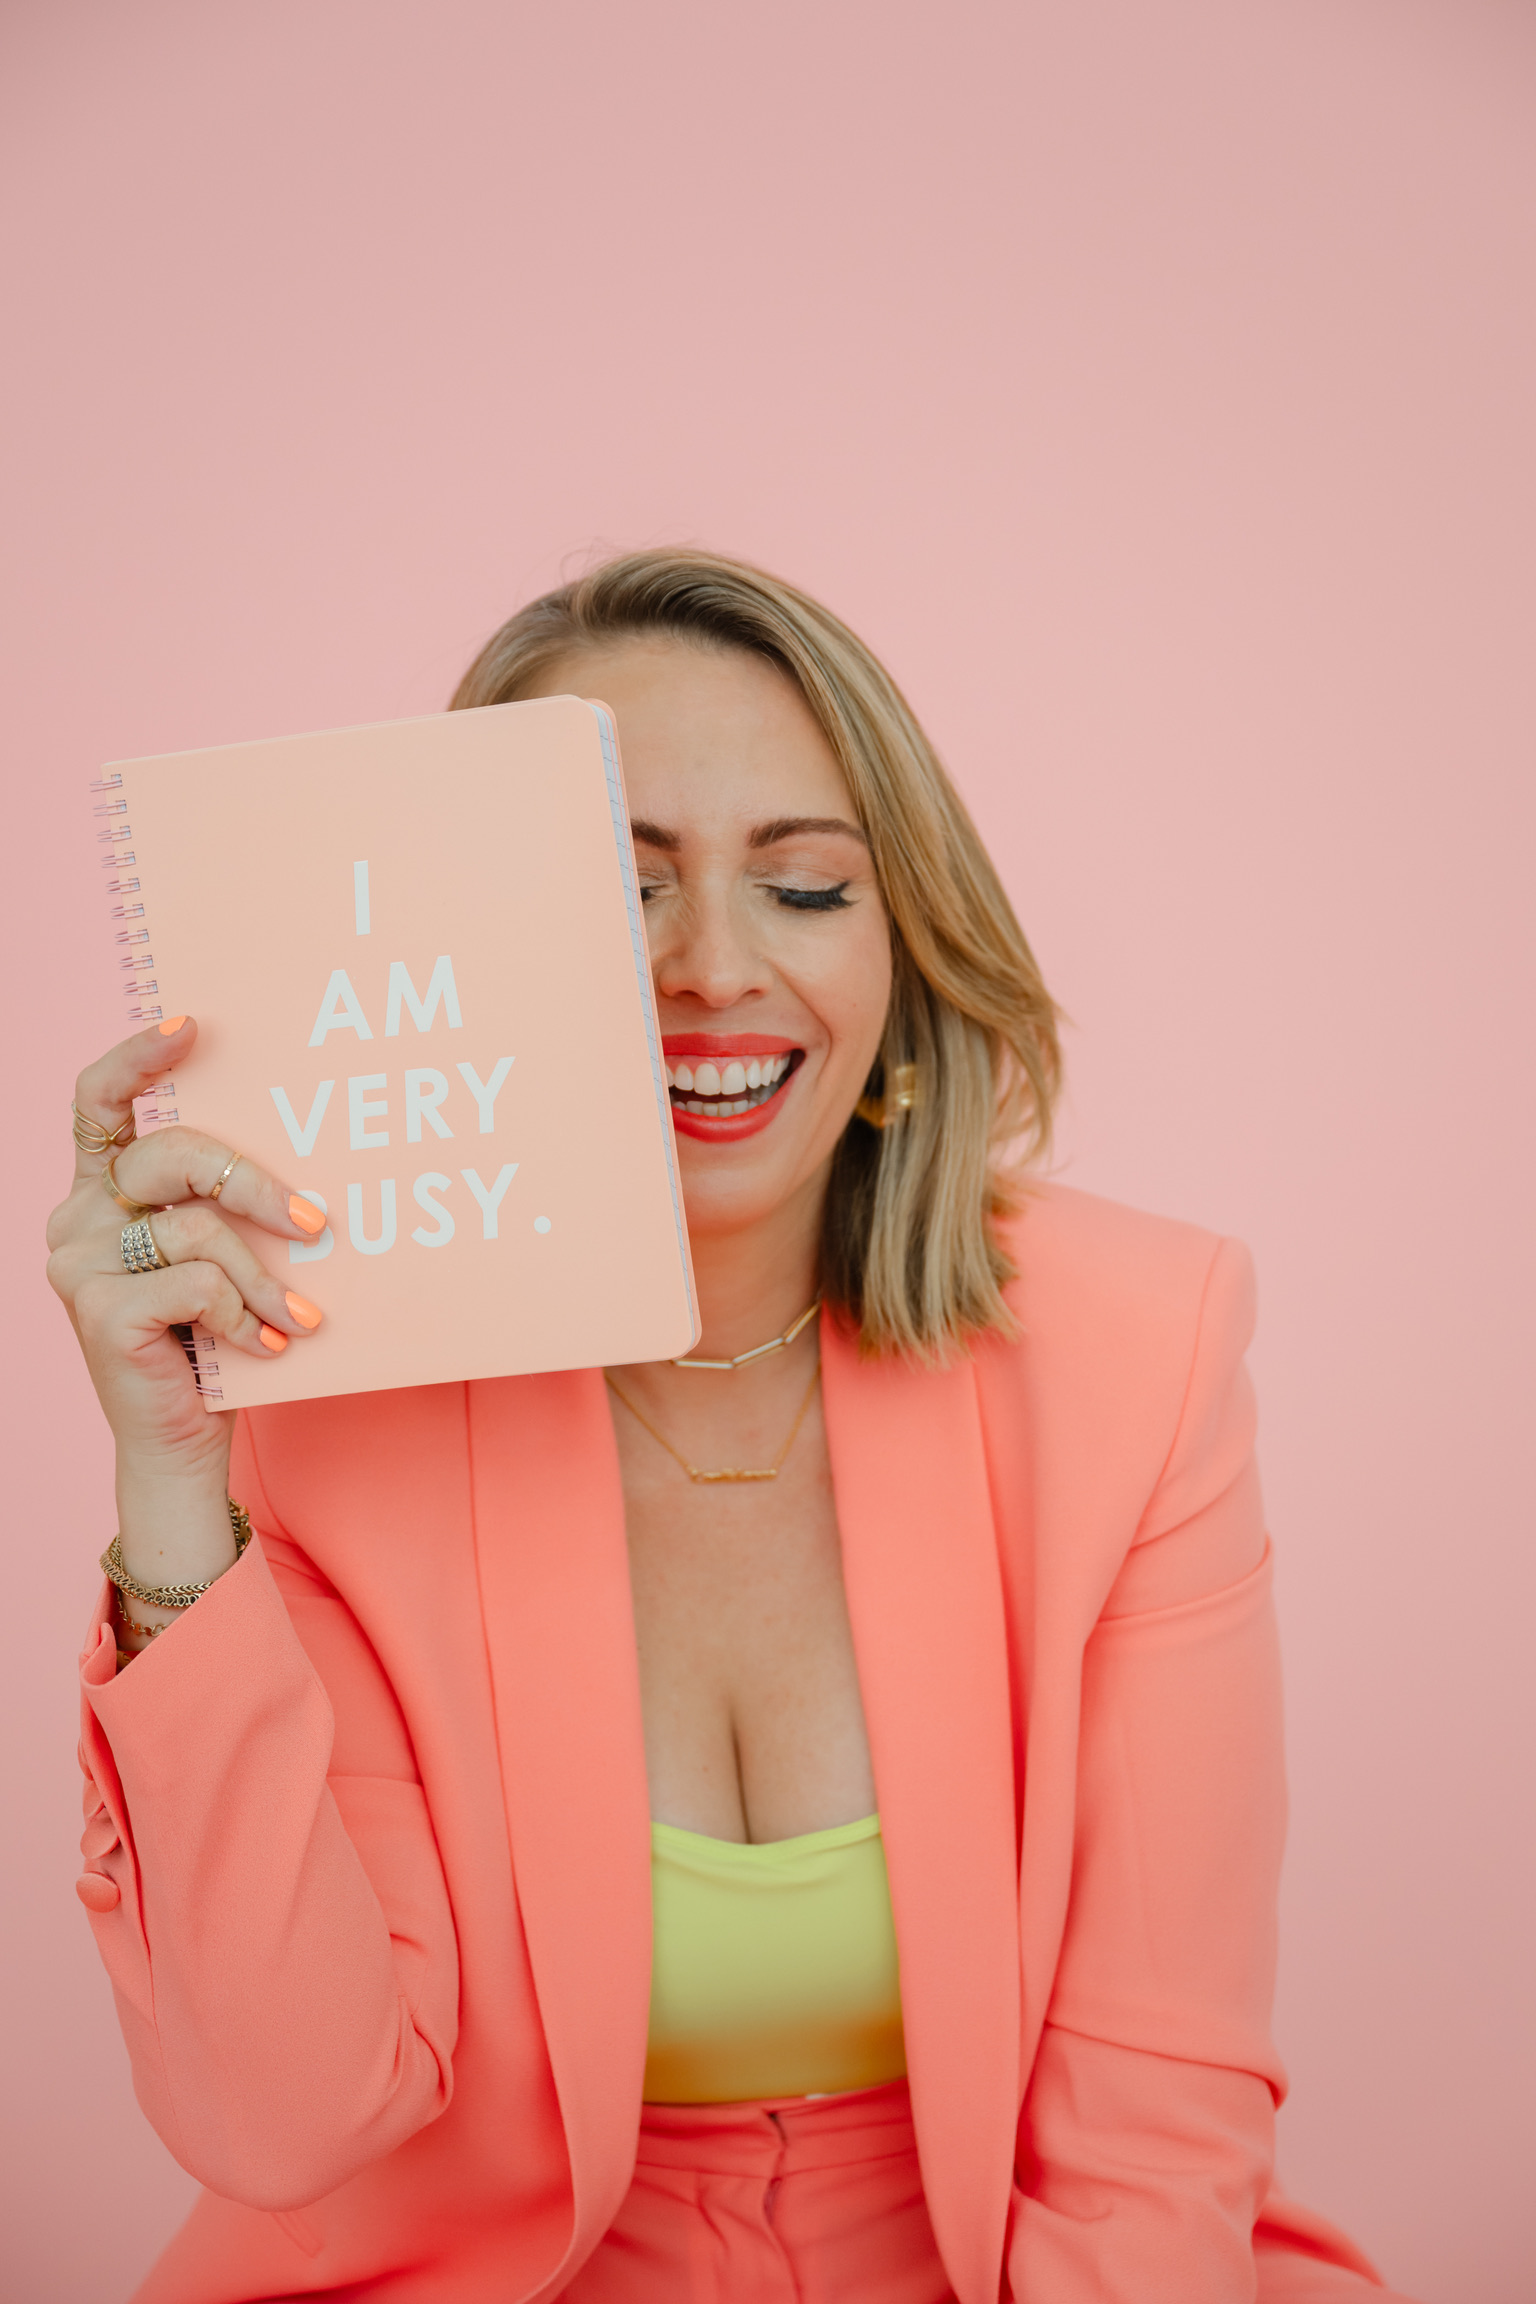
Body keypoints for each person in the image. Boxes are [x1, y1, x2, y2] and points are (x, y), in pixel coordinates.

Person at [48, 550, 1418, 2304]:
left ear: (907, 945)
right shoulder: (323, 1391)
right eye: (619, 891)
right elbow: (285, 2119)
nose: (710, 970)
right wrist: (178, 1492)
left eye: (804, 887)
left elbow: (1151, 2128)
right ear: (474, 954)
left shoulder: (1142, 1353)